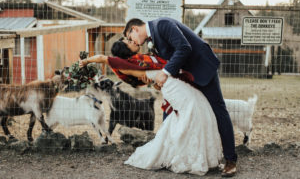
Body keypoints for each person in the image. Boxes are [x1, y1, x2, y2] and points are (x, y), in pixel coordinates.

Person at [79, 38, 223, 176]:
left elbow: (156, 75)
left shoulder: (140, 59)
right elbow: (102, 58)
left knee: (193, 112)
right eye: (128, 42)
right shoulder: (122, 63)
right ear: (124, 49)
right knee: (191, 114)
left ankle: (183, 153)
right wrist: (85, 61)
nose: (133, 41)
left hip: (175, 84)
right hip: (174, 88)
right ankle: (187, 156)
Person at [123, 17, 237, 177]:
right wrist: (153, 77)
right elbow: (165, 61)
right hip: (183, 76)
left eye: (130, 38)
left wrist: (165, 72)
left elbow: (184, 47)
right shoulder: (152, 39)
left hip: (201, 69)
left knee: (218, 110)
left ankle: (231, 160)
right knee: (170, 112)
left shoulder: (162, 24)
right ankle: (169, 155)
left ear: (135, 29)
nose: (133, 42)